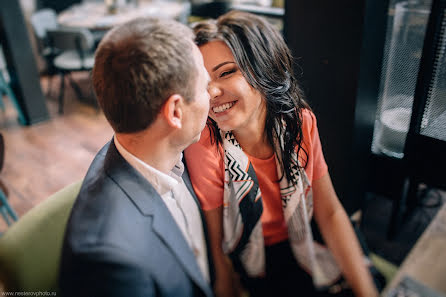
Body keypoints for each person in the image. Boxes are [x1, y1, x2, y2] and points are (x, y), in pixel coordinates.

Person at [184, 11, 379, 297]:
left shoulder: (300, 122)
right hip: (257, 250)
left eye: (226, 72)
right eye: (202, 82)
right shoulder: (204, 143)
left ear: (263, 68)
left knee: (367, 278)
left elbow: (330, 210)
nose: (211, 91)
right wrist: (224, 278)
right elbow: (216, 238)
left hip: (306, 225)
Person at [59, 17, 213, 297]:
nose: (211, 93)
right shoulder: (110, 263)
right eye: (204, 85)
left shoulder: (160, 145)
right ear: (175, 111)